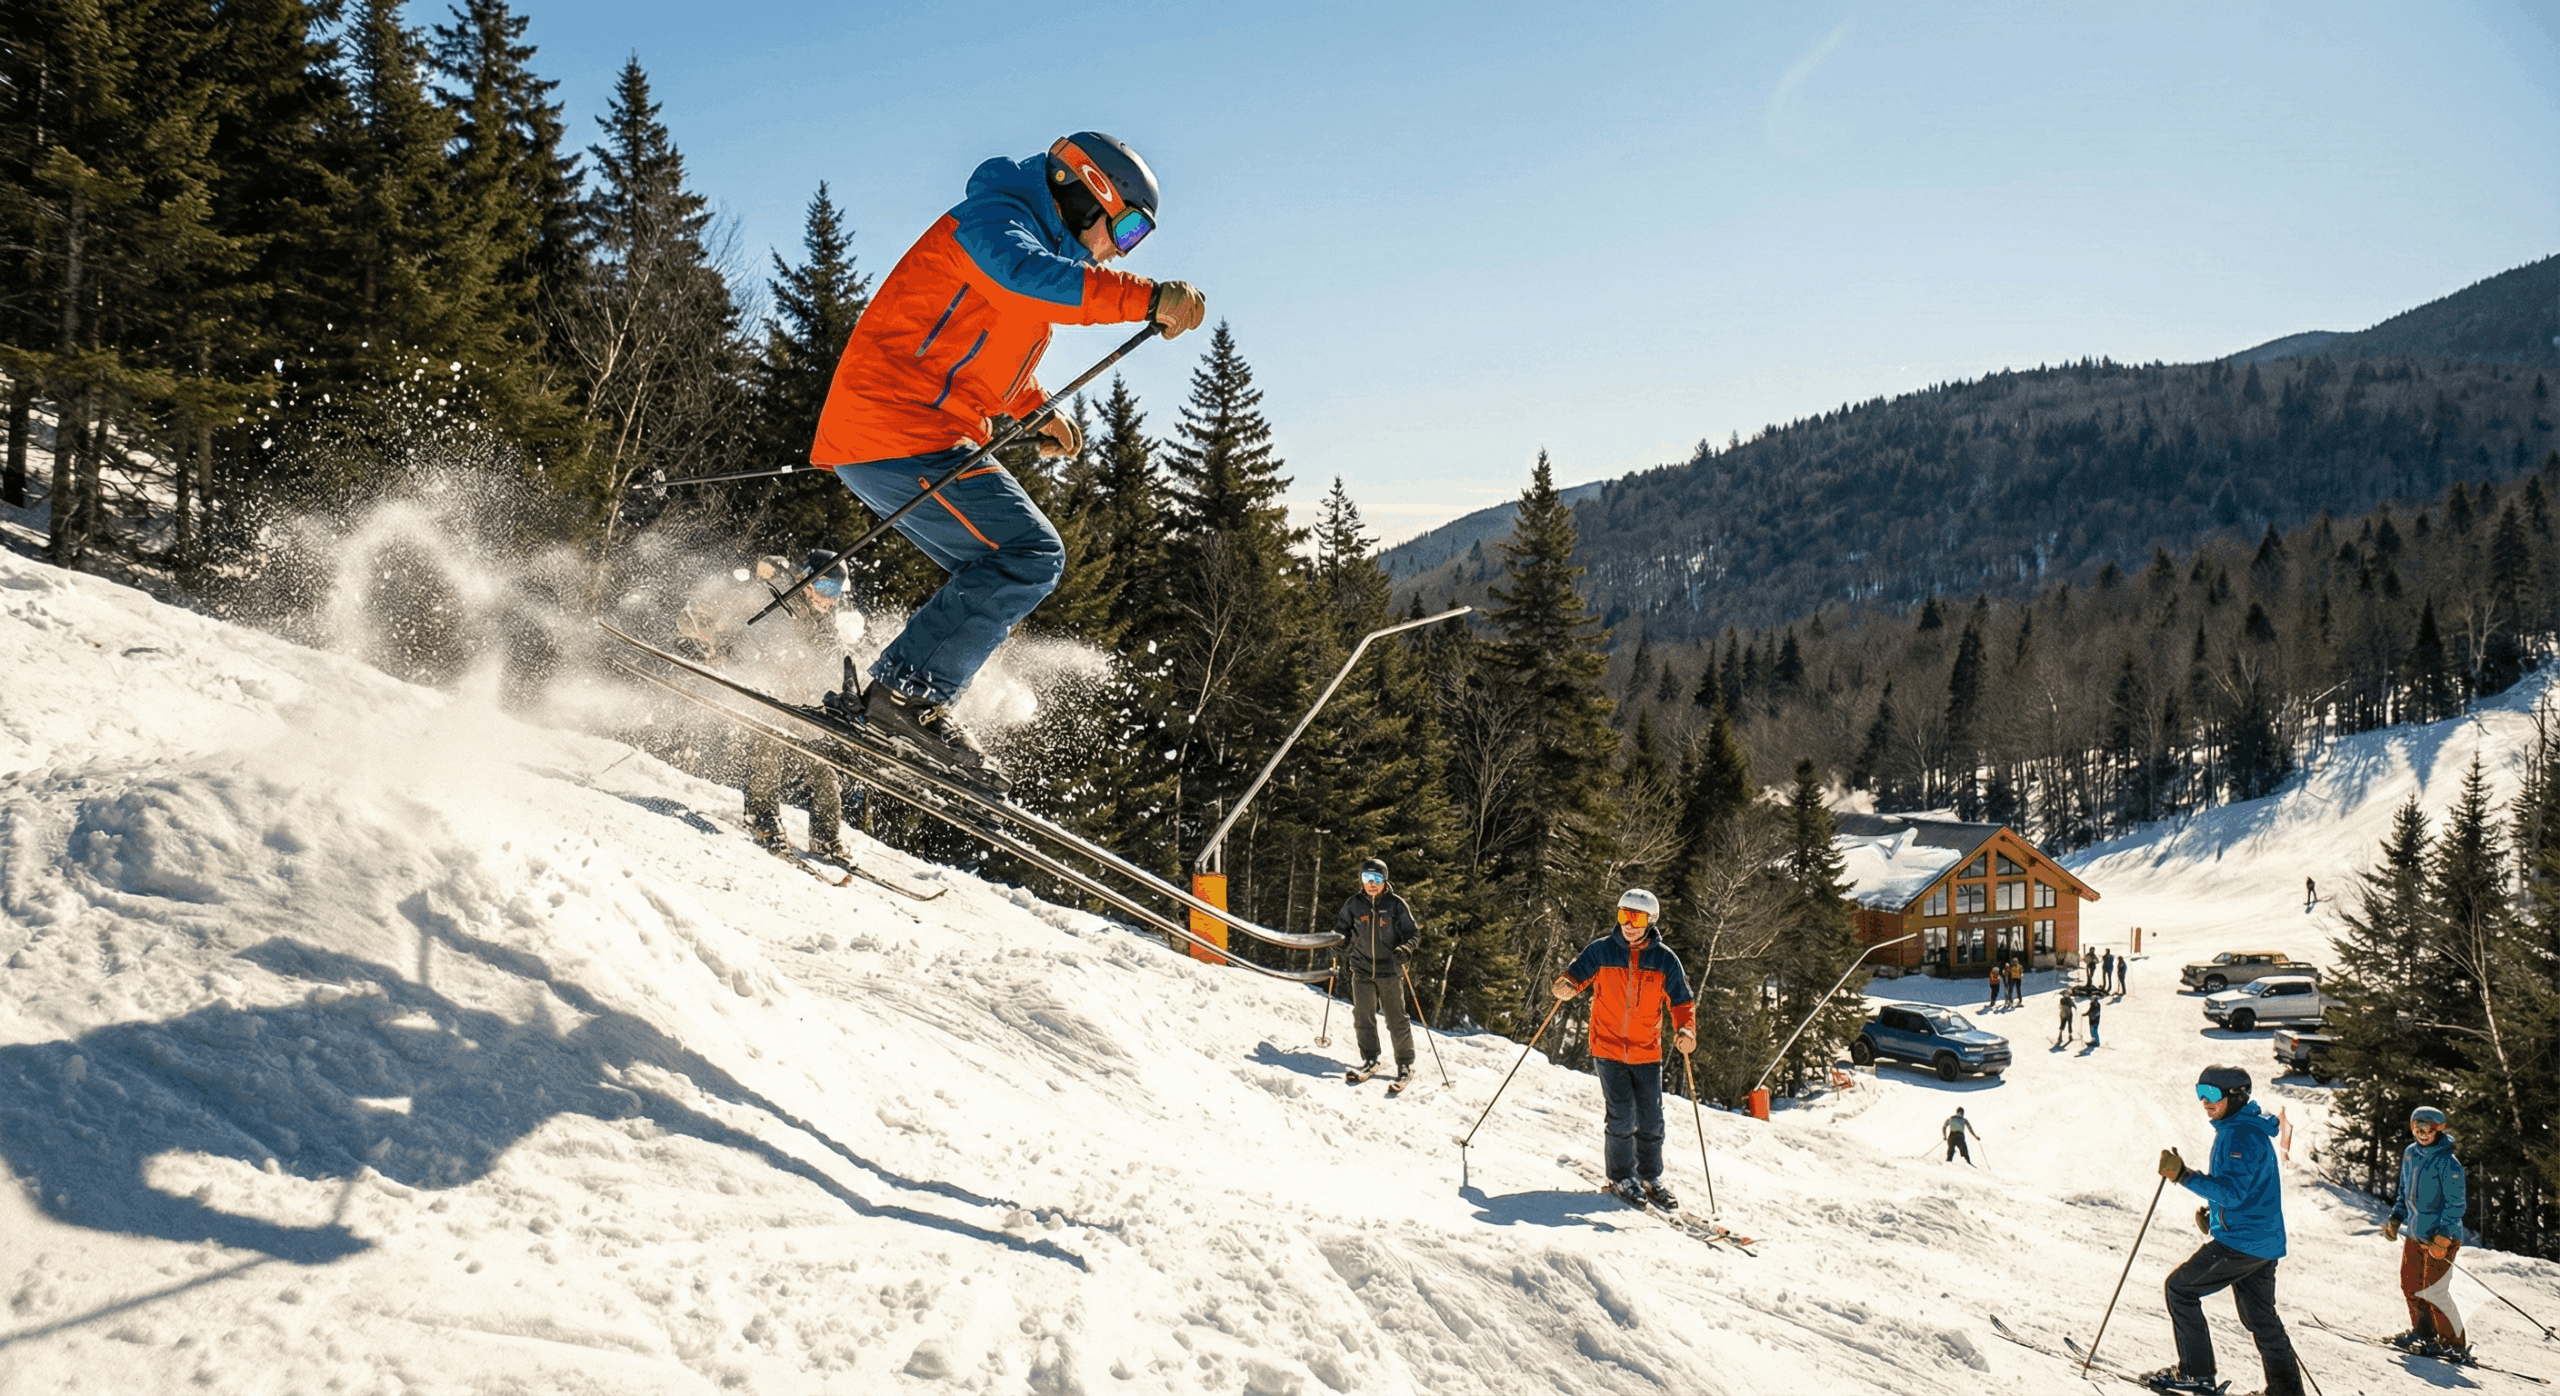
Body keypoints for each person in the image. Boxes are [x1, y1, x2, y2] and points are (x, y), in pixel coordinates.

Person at [808, 131, 1208, 792]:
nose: (1120, 247)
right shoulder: (995, 222)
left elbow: (989, 356)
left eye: (1135, 242)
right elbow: (1027, 281)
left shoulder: (1024, 241)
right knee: (1027, 554)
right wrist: (1144, 296)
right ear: (1089, 192)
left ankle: (904, 694)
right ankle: (903, 696)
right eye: (1129, 229)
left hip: (908, 428)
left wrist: (1035, 408)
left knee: (1008, 558)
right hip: (894, 425)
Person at [679, 551, 855, 859]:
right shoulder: (776, 598)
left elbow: (835, 662)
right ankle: (762, 816)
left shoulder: (825, 626)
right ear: (806, 580)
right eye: (825, 589)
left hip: (799, 701)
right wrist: (701, 624)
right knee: (768, 743)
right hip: (765, 692)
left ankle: (825, 835)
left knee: (823, 762)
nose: (829, 600)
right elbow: (720, 615)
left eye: (835, 593)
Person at [2144, 1066, 2305, 1396]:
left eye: (2213, 1094)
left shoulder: (2239, 1135)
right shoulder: (2243, 1128)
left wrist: (2183, 1176)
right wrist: (2216, 1216)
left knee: (2180, 1289)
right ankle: (2285, 1391)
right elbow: (2244, 1191)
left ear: (2236, 1096)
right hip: (2262, 1240)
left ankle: (2195, 1373)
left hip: (2242, 1243)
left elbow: (2232, 1192)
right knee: (2261, 1320)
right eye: (2200, 1092)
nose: (2205, 1101)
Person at [1552, 889, 1696, 1210]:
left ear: (1651, 920)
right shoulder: (1603, 950)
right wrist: (1567, 984)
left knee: (1651, 1119)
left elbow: (1682, 1001)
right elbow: (1576, 973)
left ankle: (1649, 1176)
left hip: (1647, 1051)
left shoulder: (1664, 959)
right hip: (1608, 1046)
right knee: (1622, 1115)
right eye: (1623, 916)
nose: (1629, 924)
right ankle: (1621, 1176)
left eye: (1637, 917)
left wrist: (1686, 1028)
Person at [2384, 1105, 2471, 1363]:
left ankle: (2454, 1344)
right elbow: (2403, 1190)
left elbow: (2456, 1205)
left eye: (2428, 1130)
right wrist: (2396, 1218)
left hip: (2441, 1237)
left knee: (2435, 1291)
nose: (2422, 1134)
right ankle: (2424, 1333)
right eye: (2417, 1128)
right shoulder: (2411, 1154)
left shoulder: (2448, 1163)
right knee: (2410, 1284)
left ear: (2438, 1131)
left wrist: (2443, 1238)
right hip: (2415, 1232)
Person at [1332, 857, 1420, 1087]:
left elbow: (1413, 934)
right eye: (1366, 878)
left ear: (1385, 880)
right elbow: (1342, 929)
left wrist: (1405, 949)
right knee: (1363, 1018)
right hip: (1361, 969)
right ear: (1361, 880)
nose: (1371, 883)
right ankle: (1370, 1059)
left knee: (1396, 1020)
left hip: (1389, 970)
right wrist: (1338, 941)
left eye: (1377, 878)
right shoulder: (1353, 904)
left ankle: (1404, 1063)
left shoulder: (1395, 904)